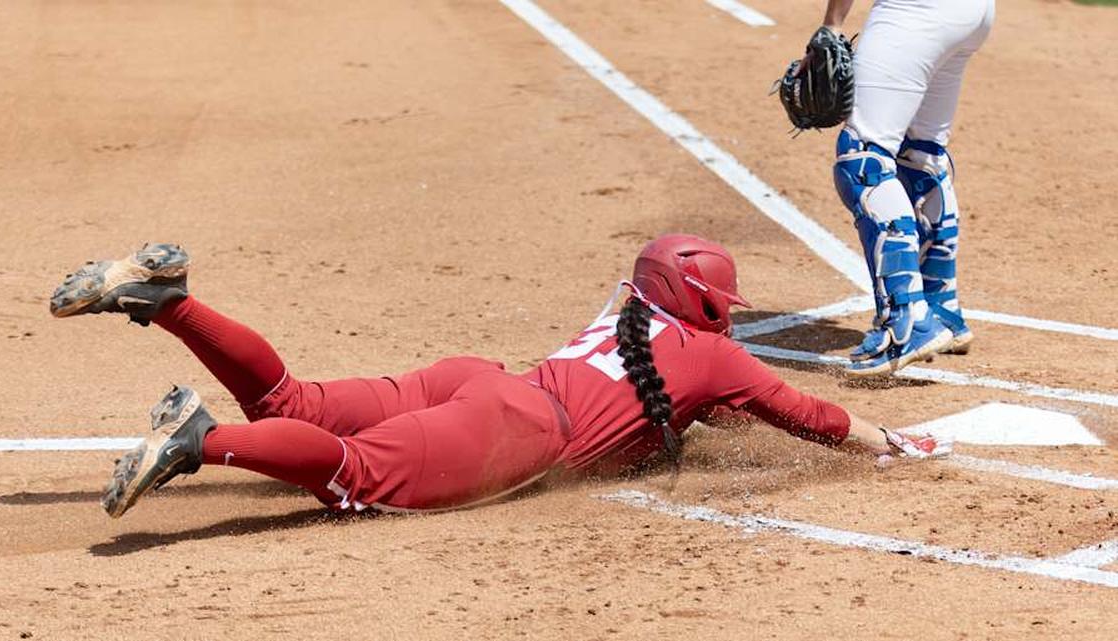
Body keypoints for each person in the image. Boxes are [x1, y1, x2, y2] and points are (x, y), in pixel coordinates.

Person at [49, 236, 948, 518]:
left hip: (474, 381)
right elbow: (813, 416)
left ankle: (170, 303)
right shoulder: (713, 356)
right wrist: (889, 441)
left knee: (301, 403)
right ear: (708, 302)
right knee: (353, 477)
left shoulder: (625, 304)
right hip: (516, 431)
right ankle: (203, 441)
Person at [823, 0, 995, 376]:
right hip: (973, 13)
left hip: (915, 14)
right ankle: (941, 308)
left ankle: (907, 321)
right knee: (922, 154)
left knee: (862, 160)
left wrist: (832, 24)